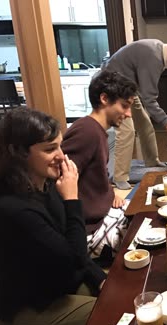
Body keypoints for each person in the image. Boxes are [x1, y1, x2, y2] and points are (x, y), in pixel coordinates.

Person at [0, 108, 106, 325]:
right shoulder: (12, 207)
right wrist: (72, 198)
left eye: (60, 146)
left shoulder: (42, 185)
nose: (61, 156)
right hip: (25, 311)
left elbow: (75, 253)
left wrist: (101, 279)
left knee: (122, 294)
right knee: (114, 317)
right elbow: (73, 257)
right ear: (19, 153)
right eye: (49, 149)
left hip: (56, 286)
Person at [104, 35, 167, 190]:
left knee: (145, 124)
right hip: (113, 88)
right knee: (127, 131)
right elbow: (149, 98)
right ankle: (119, 177)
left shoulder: (157, 50)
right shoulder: (153, 56)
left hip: (128, 89)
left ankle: (152, 161)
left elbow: (145, 92)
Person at [62, 70, 137, 259]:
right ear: (104, 99)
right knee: (147, 238)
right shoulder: (87, 131)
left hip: (104, 212)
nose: (128, 114)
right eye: (124, 106)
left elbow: (95, 175)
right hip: (89, 230)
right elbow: (60, 180)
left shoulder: (97, 130)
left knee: (148, 209)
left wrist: (109, 193)